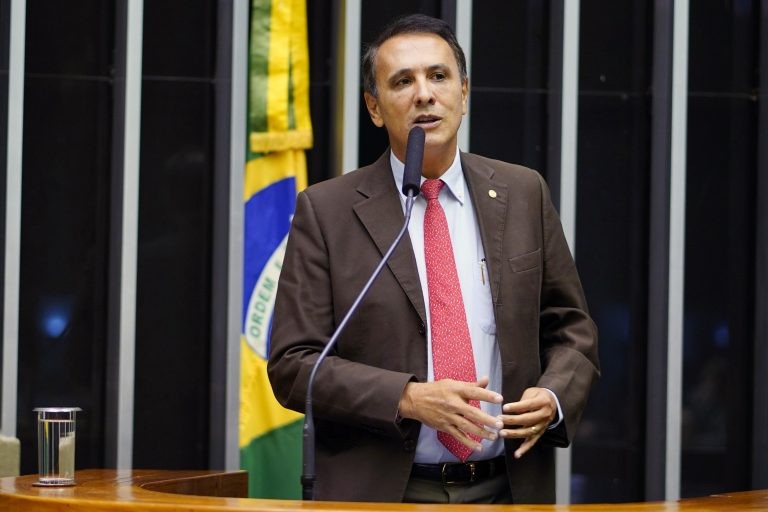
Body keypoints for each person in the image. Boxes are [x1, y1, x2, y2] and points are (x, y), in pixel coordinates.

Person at [268, 13, 599, 504]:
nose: (424, 94)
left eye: (439, 76)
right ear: (374, 107)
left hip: (508, 488)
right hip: (383, 493)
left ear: (464, 93)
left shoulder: (523, 193)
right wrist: (408, 398)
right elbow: (294, 366)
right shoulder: (327, 211)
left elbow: (572, 329)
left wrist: (552, 396)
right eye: (403, 81)